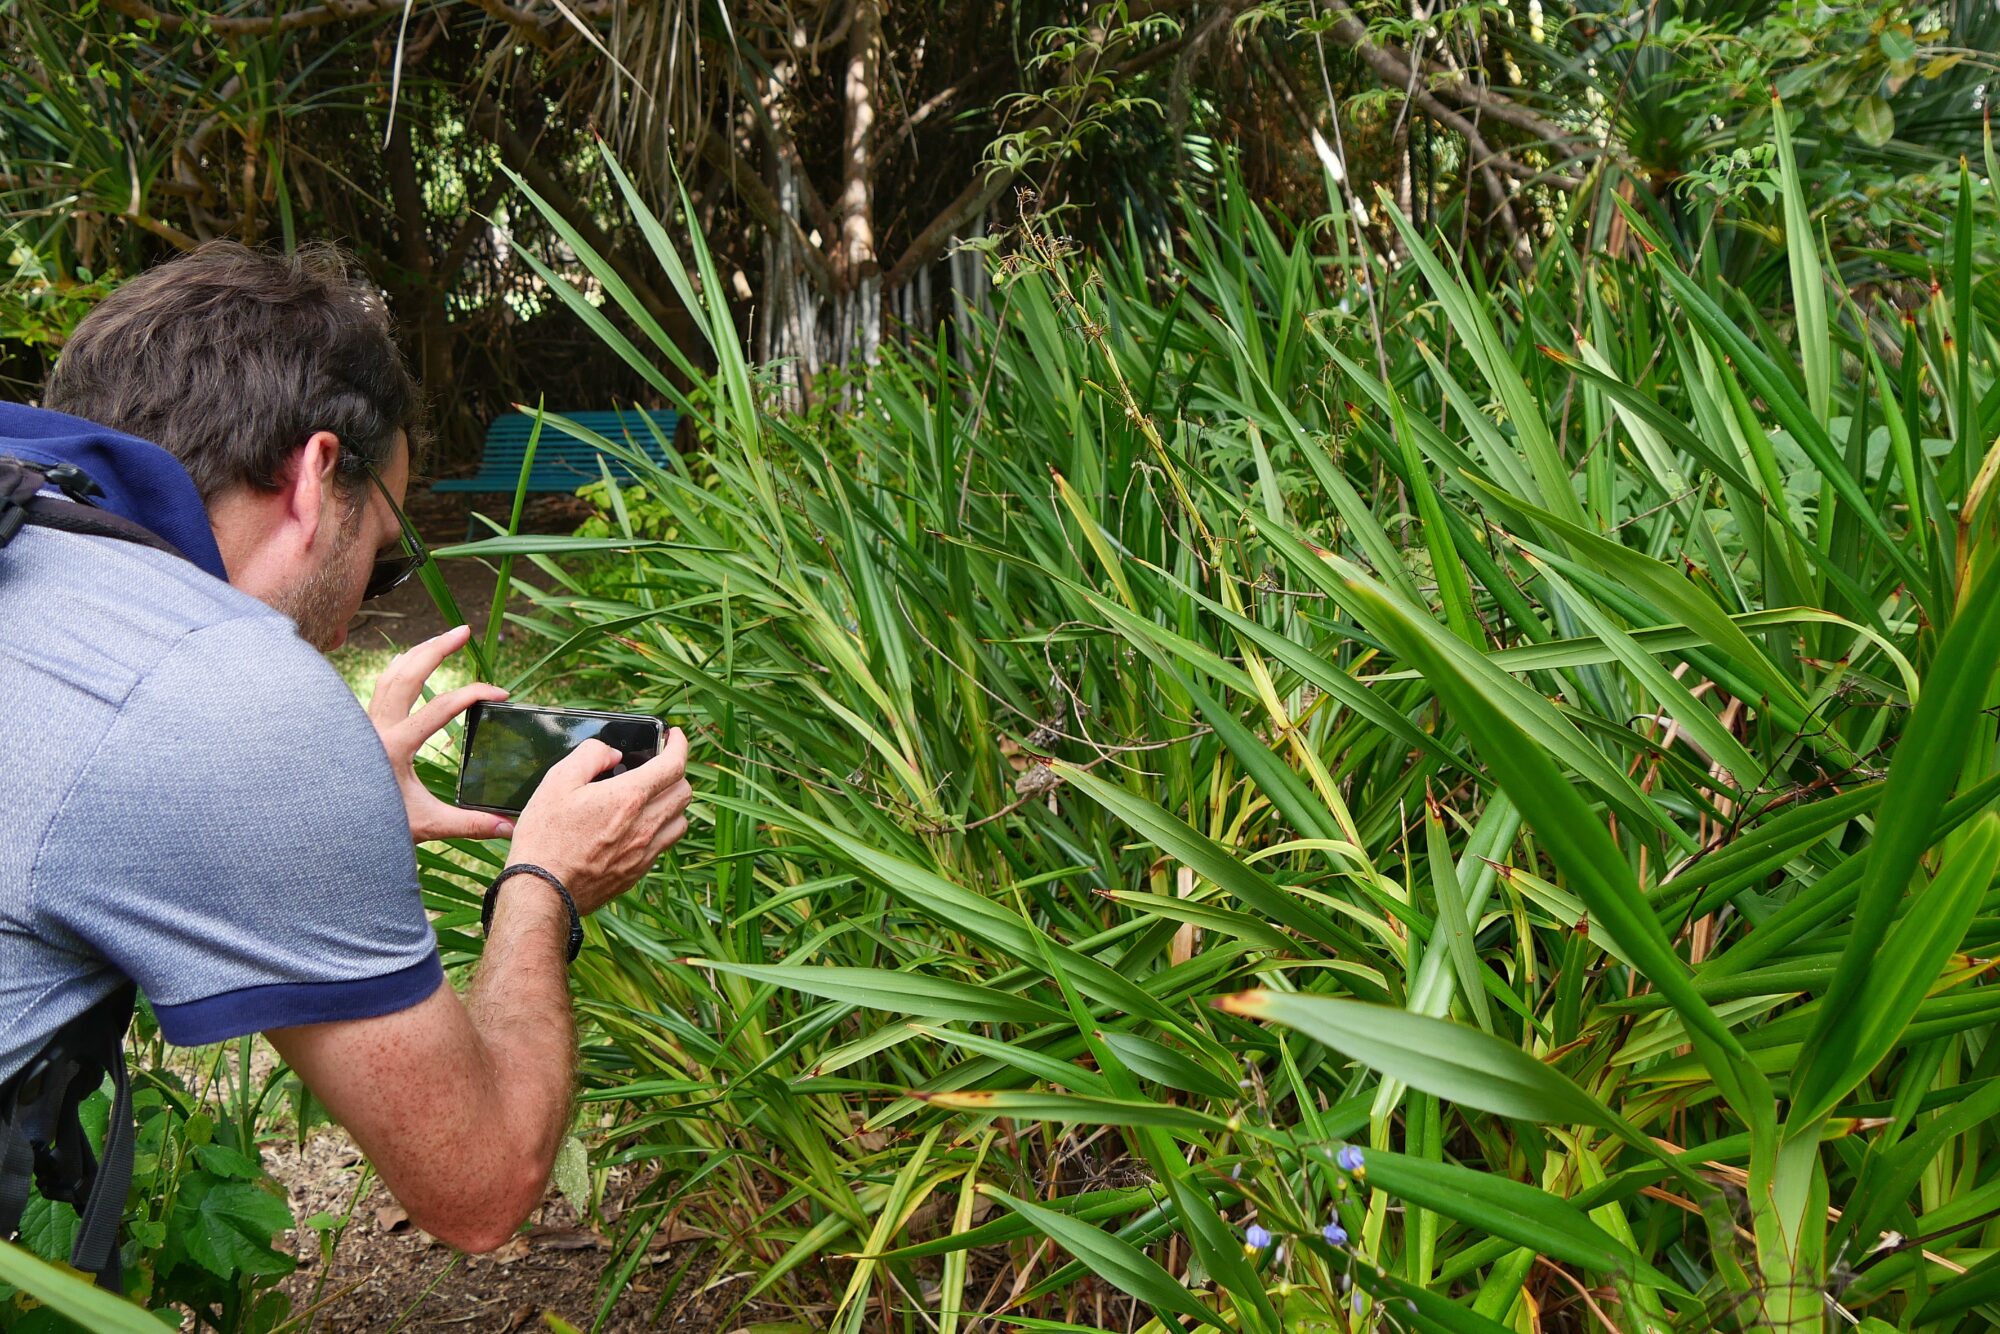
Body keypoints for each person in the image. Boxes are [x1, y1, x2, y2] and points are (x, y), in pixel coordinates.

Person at [0, 241, 693, 1275]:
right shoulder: (217, 689)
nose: (360, 602)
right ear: (316, 474)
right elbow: (480, 1184)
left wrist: (314, 803)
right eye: (384, 558)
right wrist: (544, 883)